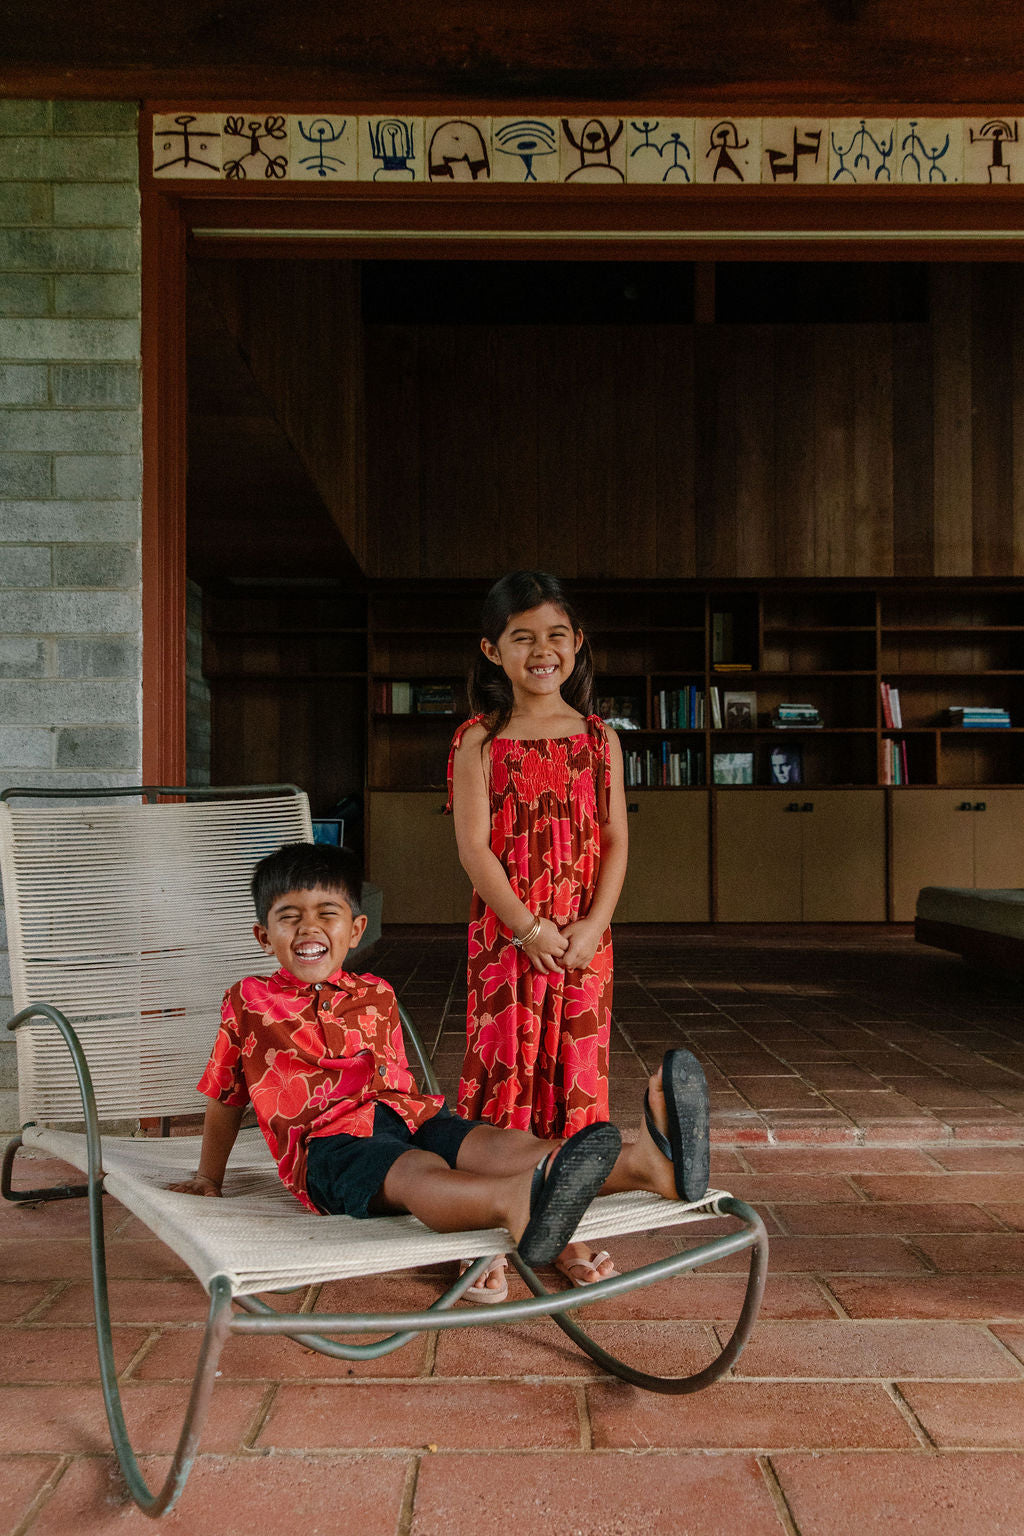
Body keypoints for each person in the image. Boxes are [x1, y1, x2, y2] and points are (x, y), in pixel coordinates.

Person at [168, 842, 711, 1290]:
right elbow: (226, 1093)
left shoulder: (376, 992)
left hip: (409, 1117)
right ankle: (511, 1201)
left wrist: (430, 1128)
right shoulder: (248, 1000)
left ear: (356, 931)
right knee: (413, 1174)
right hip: (328, 1144)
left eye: (326, 915)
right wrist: (207, 1176)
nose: (309, 928)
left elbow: (399, 1090)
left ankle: (648, 1166)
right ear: (265, 938)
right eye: (290, 918)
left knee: (498, 1145)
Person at [446, 571, 629, 1293]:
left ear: (577, 645)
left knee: (573, 1085)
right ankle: (486, 1230)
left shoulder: (599, 740)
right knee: (503, 1080)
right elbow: (473, 848)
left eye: (556, 635)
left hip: (585, 942)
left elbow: (615, 840)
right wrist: (526, 928)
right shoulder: (478, 741)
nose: (541, 650)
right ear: (493, 650)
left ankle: (564, 1229)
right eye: (522, 637)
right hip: (508, 941)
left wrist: (593, 927)